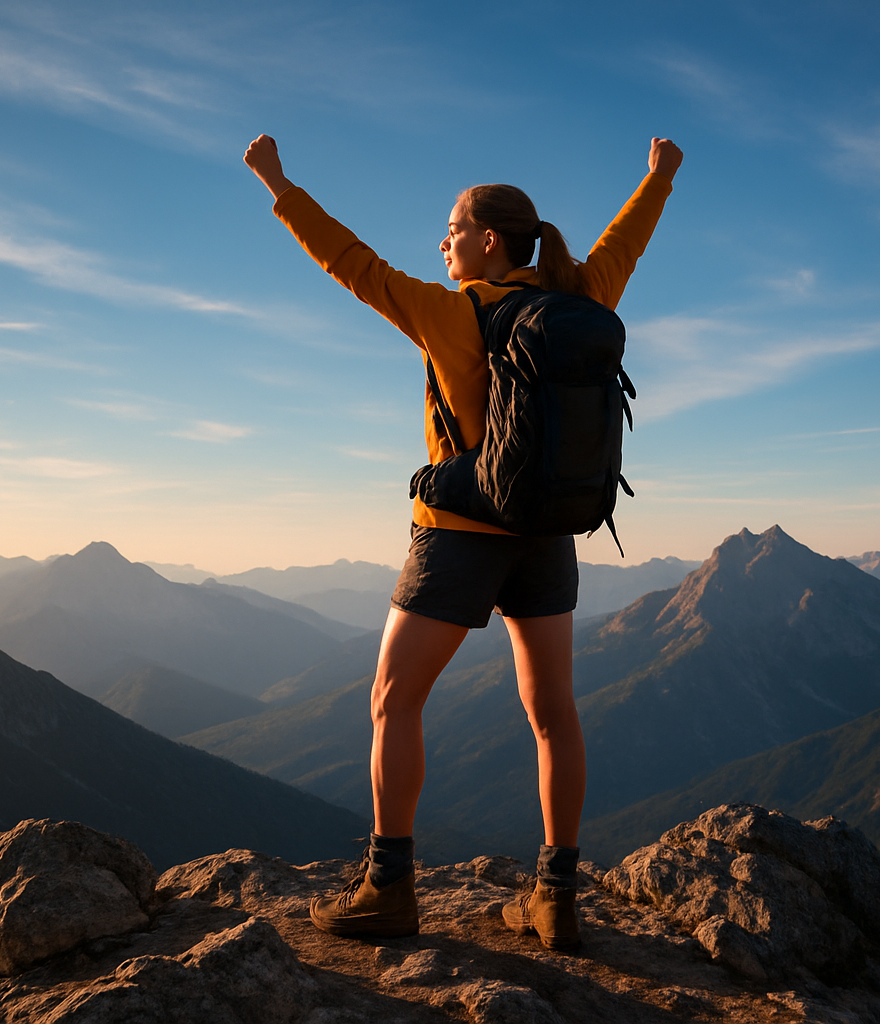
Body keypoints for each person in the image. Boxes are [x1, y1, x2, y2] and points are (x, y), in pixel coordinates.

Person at [243, 134, 682, 951]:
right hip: (549, 532)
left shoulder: (453, 311)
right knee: (554, 715)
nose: (441, 242)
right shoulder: (582, 295)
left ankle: (387, 887)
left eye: (451, 228)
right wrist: (658, 180)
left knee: (393, 700)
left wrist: (279, 184)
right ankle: (556, 901)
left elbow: (352, 263)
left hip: (459, 534)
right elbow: (626, 242)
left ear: (487, 240)